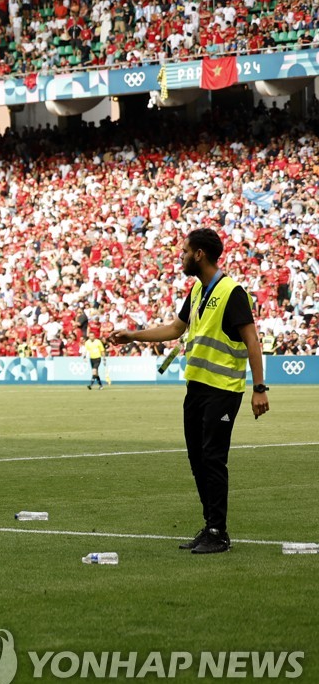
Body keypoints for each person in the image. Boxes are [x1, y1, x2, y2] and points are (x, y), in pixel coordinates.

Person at [109, 228, 270, 554]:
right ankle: (209, 525)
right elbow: (175, 329)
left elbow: (252, 340)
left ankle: (218, 532)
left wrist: (259, 388)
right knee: (198, 459)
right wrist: (133, 336)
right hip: (196, 388)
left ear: (199, 254)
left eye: (185, 251)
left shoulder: (232, 291)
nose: (181, 256)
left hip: (223, 389)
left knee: (213, 458)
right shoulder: (197, 291)